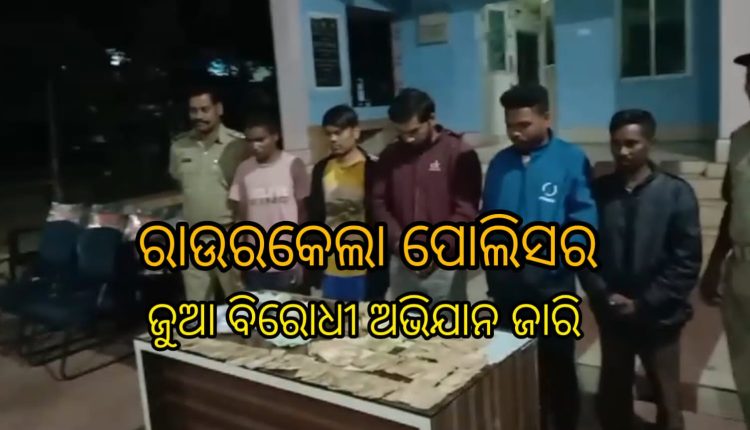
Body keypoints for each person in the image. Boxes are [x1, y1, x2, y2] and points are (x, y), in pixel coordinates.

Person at [482, 84, 597, 430]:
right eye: (510, 126)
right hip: (507, 290)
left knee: (557, 368)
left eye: (524, 125)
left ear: (547, 118)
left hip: (551, 287)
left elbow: (583, 219)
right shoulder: (500, 163)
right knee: (513, 366)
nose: (516, 133)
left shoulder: (570, 159)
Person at [585, 109, 702, 430]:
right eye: (616, 143)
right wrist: (602, 294)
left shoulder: (676, 193)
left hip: (661, 318)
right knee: (612, 400)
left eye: (631, 143)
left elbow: (687, 261)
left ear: (650, 142)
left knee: (667, 400)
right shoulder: (599, 192)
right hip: (613, 316)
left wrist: (644, 303)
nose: (623, 151)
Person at [372, 88, 482, 302]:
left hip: (445, 265)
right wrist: (398, 242)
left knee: (448, 322)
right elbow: (379, 202)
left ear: (431, 118)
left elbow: (466, 211)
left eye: (414, 131)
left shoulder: (458, 153)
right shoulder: (390, 156)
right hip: (403, 263)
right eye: (401, 133)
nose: (408, 139)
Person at [702, 52, 750, 426]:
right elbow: (732, 205)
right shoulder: (739, 140)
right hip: (741, 271)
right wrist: (715, 264)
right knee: (745, 371)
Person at [169, 85, 249, 301]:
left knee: (240, 303)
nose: (199, 116)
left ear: (218, 109)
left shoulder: (238, 145)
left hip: (228, 235)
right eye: (193, 111)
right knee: (197, 307)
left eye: (205, 110)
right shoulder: (179, 147)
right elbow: (180, 184)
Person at [307, 105, 388, 301]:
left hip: (366, 269)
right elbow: (315, 218)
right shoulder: (321, 170)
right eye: (328, 134)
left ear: (355, 132)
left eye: (338, 132)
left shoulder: (373, 169)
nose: (333, 139)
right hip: (331, 269)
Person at [229, 111, 310, 292]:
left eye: (260, 140)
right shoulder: (244, 169)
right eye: (250, 141)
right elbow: (241, 218)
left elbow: (303, 214)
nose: (255, 146)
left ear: (275, 136)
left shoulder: (293, 165)